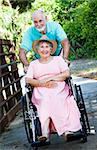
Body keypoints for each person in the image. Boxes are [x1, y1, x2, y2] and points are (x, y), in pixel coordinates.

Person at [25, 39, 82, 142]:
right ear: (37, 50)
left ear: (51, 49)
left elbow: (66, 74)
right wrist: (42, 83)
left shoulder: (58, 60)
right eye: (41, 47)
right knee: (45, 100)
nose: (44, 49)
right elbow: (28, 79)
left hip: (58, 86)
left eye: (47, 47)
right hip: (40, 89)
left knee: (58, 98)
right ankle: (45, 134)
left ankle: (67, 131)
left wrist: (50, 79)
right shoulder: (33, 64)